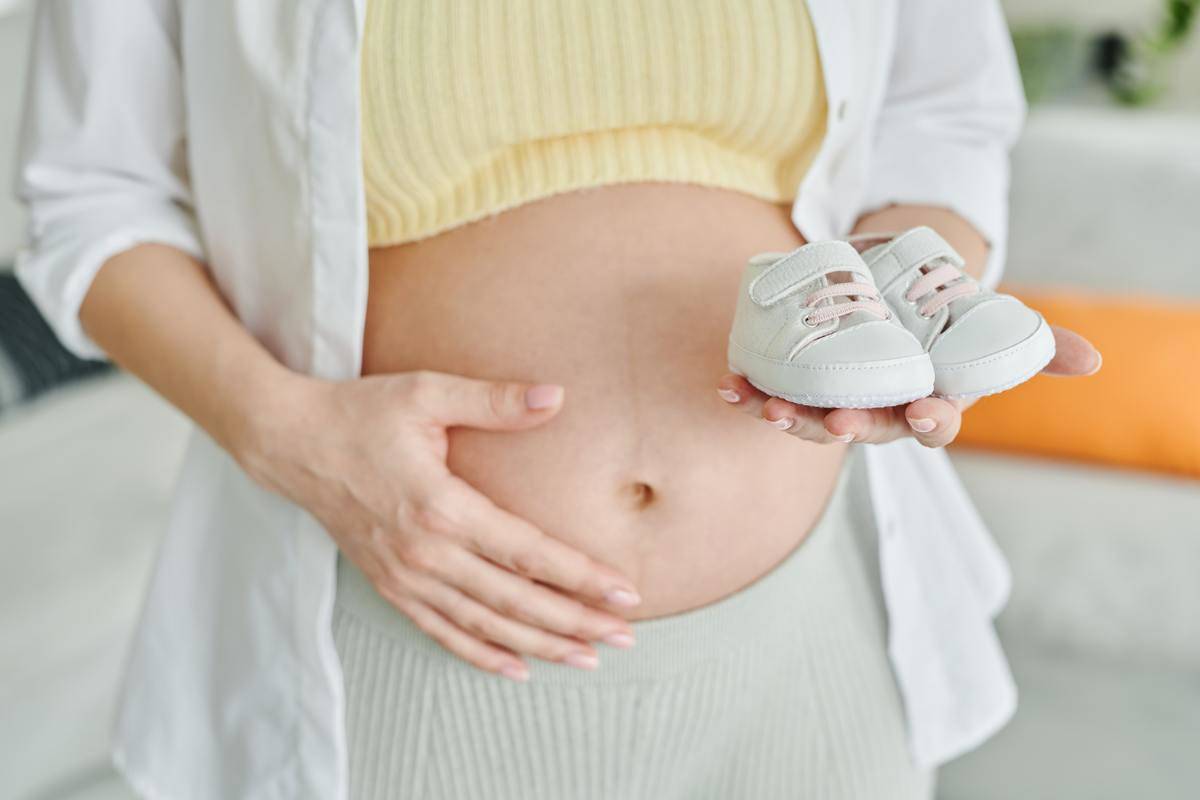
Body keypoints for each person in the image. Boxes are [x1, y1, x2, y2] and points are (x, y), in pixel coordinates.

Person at [14, 0, 1100, 798]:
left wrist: (917, 303)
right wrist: (287, 432)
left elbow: (940, 112)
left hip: (808, 649)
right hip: (417, 642)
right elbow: (91, 201)